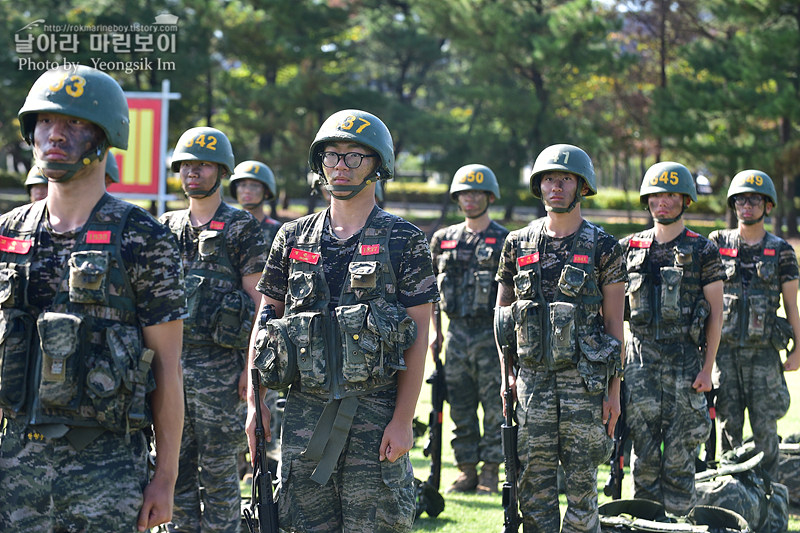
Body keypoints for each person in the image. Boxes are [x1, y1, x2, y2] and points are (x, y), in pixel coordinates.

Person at [0, 65, 185, 532]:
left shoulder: (144, 238)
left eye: (74, 123)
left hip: (108, 471)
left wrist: (165, 479)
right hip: (15, 463)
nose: (54, 135)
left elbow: (167, 367)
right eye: (44, 121)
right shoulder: (9, 232)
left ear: (105, 137)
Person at [246, 109, 438, 532]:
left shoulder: (404, 240)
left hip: (376, 412)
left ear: (378, 166)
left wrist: (403, 420)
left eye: (354, 156)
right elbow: (265, 325)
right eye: (331, 156)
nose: (340, 166)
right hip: (302, 415)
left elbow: (418, 337)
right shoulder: (292, 238)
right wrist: (253, 403)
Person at [495, 144, 625, 532]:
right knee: (533, 490)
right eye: (549, 179)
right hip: (531, 383)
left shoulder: (604, 247)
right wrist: (507, 379)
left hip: (584, 386)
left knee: (583, 490)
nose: (556, 186)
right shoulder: (517, 244)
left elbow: (615, 329)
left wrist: (614, 393)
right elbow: (503, 320)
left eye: (565, 179)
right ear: (539, 186)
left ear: (582, 186)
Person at [160, 127, 267, 532]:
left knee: (221, 472)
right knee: (173, 469)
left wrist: (250, 370)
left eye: (202, 165)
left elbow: (260, 306)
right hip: (172, 367)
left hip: (223, 371)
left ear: (220, 170)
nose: (192, 173)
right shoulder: (165, 227)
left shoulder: (241, 228)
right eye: (186, 165)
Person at [620, 161, 724, 515]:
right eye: (655, 195)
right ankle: (643, 522)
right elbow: (612, 315)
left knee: (681, 461)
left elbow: (715, 313)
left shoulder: (704, 250)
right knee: (643, 459)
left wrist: (708, 369)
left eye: (670, 195)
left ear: (685, 200)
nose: (662, 203)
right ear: (646, 200)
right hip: (639, 366)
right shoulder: (626, 248)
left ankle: (680, 521)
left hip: (685, 365)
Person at [708, 169, 800, 480]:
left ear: (768, 206)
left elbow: (791, 304)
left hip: (764, 356)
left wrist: (799, 349)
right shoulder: (717, 243)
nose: (748, 206)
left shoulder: (782, 250)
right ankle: (729, 494)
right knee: (728, 427)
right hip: (725, 354)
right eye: (742, 200)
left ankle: (770, 500)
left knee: (765, 429)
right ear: (734, 204)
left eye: (755, 200)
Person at [429, 163, 508, 494]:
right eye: (464, 193)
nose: (470, 199)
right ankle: (465, 470)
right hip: (455, 335)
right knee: (459, 403)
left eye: (476, 193)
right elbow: (430, 294)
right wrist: (435, 333)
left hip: (490, 336)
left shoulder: (505, 240)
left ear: (489, 196)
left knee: (494, 404)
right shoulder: (443, 240)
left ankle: (490, 470)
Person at [228, 160, 283, 475]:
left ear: (266, 191)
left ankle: (262, 457)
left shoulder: (277, 232)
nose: (247, 190)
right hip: (231, 325)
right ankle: (236, 459)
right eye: (243, 185)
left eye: (254, 185)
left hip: (265, 326)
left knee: (264, 391)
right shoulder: (229, 226)